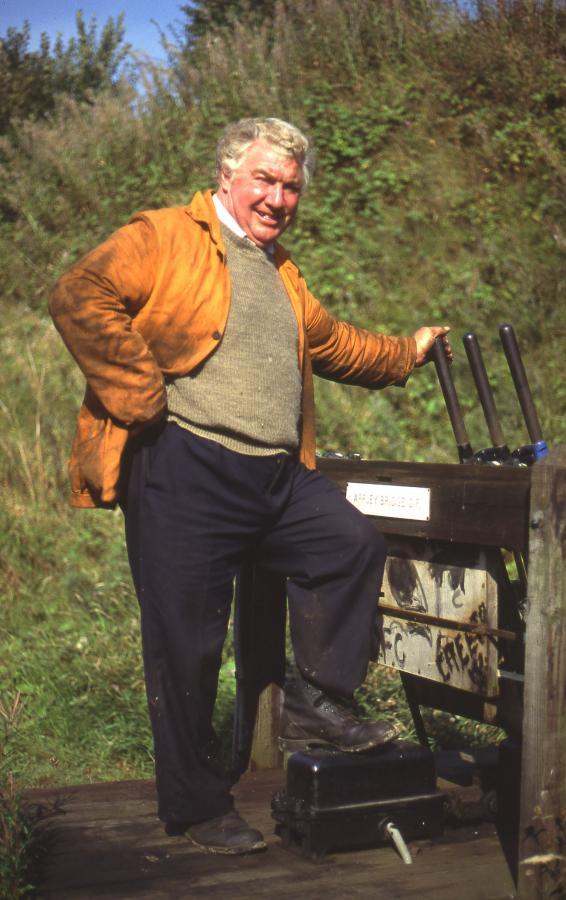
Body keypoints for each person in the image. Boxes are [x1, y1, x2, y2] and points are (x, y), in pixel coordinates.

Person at [49, 117, 452, 856]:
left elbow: (336, 343)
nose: (278, 197)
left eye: (291, 186)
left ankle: (314, 700)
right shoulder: (169, 235)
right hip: (185, 467)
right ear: (229, 175)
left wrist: (406, 352)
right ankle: (200, 806)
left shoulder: (281, 271)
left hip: (276, 477)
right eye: (265, 180)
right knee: (187, 645)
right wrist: (138, 393)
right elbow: (80, 293)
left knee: (349, 541)